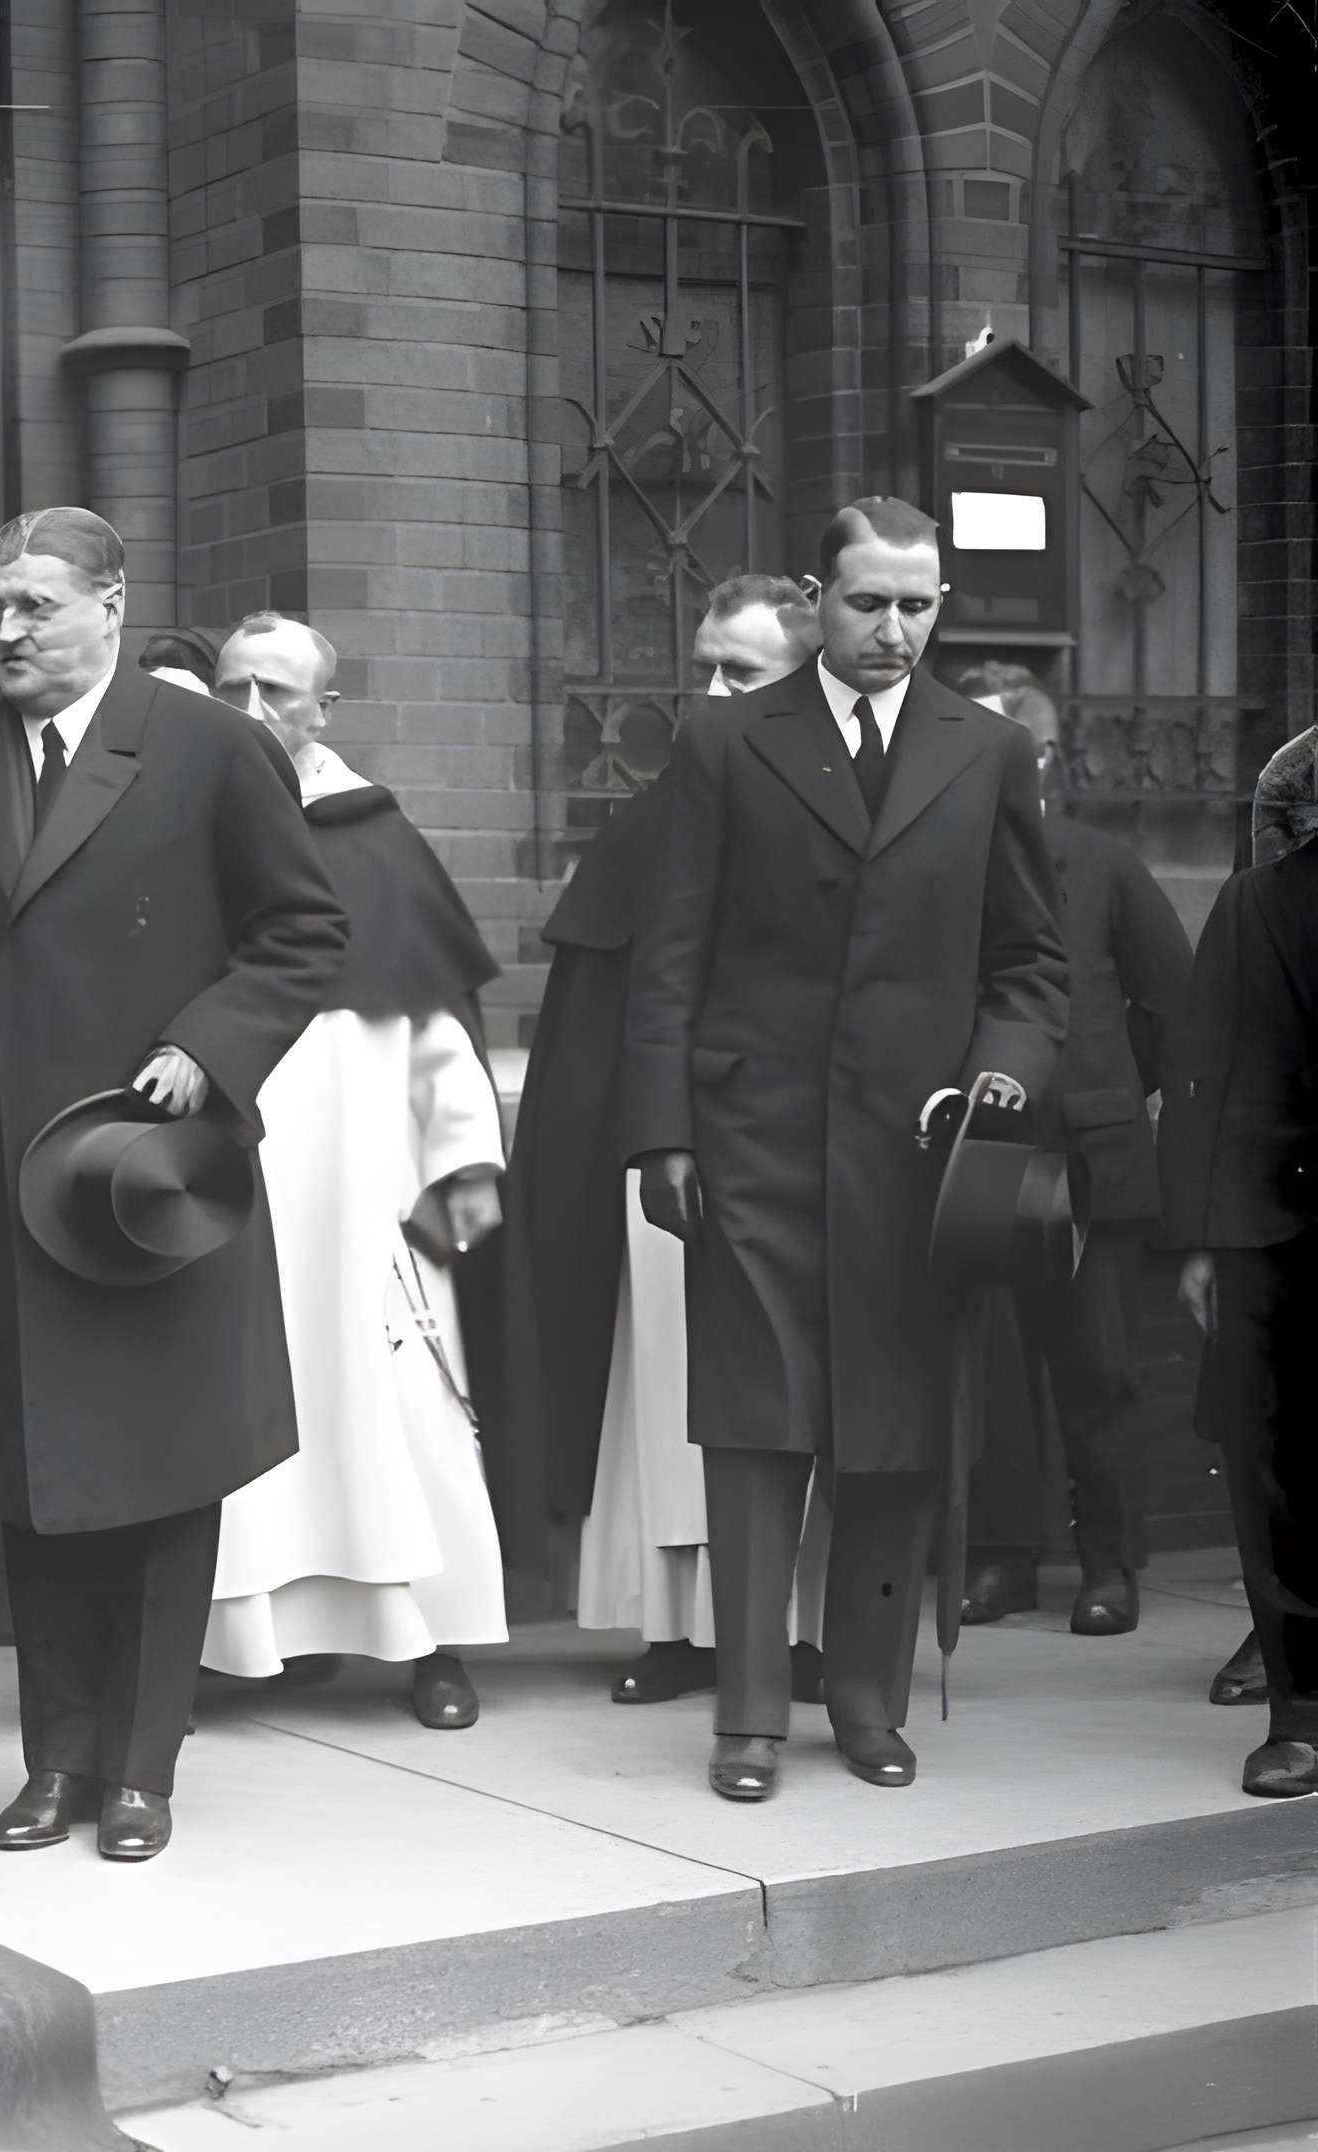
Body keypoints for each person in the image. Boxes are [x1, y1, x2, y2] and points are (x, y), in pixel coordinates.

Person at [0, 508, 347, 1861]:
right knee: (36, 1477)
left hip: (159, 1184)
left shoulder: (211, 749)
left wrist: (206, 1046)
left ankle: (144, 1774)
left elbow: (304, 931)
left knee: (170, 1478)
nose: (6, 632)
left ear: (112, 603)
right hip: (8, 1185)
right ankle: (56, 1762)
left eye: (35, 606)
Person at [624, 496, 1066, 1803]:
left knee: (894, 1426)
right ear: (819, 601)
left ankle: (864, 1696)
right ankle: (751, 1715)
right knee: (758, 1427)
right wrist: (663, 1130)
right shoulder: (725, 739)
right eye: (870, 602)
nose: (894, 628)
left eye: (919, 604)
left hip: (919, 1155)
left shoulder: (985, 753)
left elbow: (1032, 964)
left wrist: (1003, 1078)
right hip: (752, 1137)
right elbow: (672, 953)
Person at [506, 576, 832, 1707]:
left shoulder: (835, 805)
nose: (707, 692)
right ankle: (676, 1629)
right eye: (702, 665)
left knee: (791, 1394)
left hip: (790, 1151)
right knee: (661, 1392)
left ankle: (797, 1628)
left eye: (738, 672)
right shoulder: (663, 809)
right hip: (669, 1147)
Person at [193, 614, 509, 1726]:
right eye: (229, 684)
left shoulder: (371, 832)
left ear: (322, 706)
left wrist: (463, 1151)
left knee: (399, 1403)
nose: (248, 710)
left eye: (275, 689)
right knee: (231, 1409)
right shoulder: (185, 822)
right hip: (232, 1173)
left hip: (365, 1173)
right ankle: (241, 1643)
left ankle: (435, 1644)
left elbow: (436, 1017)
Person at [948, 662, 1190, 1634]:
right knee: (994, 1374)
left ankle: (1106, 1564)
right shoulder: (936, 868)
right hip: (984, 1158)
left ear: (1039, 757)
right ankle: (1003, 1561)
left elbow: (1172, 1007)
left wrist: (1104, 1093)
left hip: (1087, 1162)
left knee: (1095, 1370)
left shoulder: (1100, 865)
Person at [1158, 812, 1318, 1798]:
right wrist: (1196, 1240)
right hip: (1267, 1227)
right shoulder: (1256, 898)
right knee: (1272, 1477)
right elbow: (1204, 1073)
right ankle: (1296, 1717)